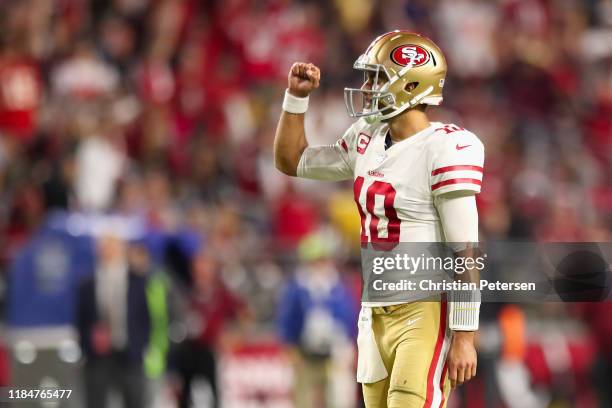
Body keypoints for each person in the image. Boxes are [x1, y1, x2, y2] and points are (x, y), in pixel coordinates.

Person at [274, 31, 484, 407]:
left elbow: (464, 252)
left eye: (377, 78)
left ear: (411, 83)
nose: (367, 87)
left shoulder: (446, 147)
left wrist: (464, 334)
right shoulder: (367, 137)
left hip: (425, 307)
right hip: (374, 311)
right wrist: (297, 98)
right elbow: (293, 160)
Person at [76, 235, 151, 408]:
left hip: (129, 354)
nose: (109, 253)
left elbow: (145, 318)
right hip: (98, 357)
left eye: (113, 248)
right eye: (105, 248)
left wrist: (140, 346)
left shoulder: (138, 281)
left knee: (134, 400)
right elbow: (81, 321)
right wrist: (89, 342)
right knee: (95, 400)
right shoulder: (87, 284)